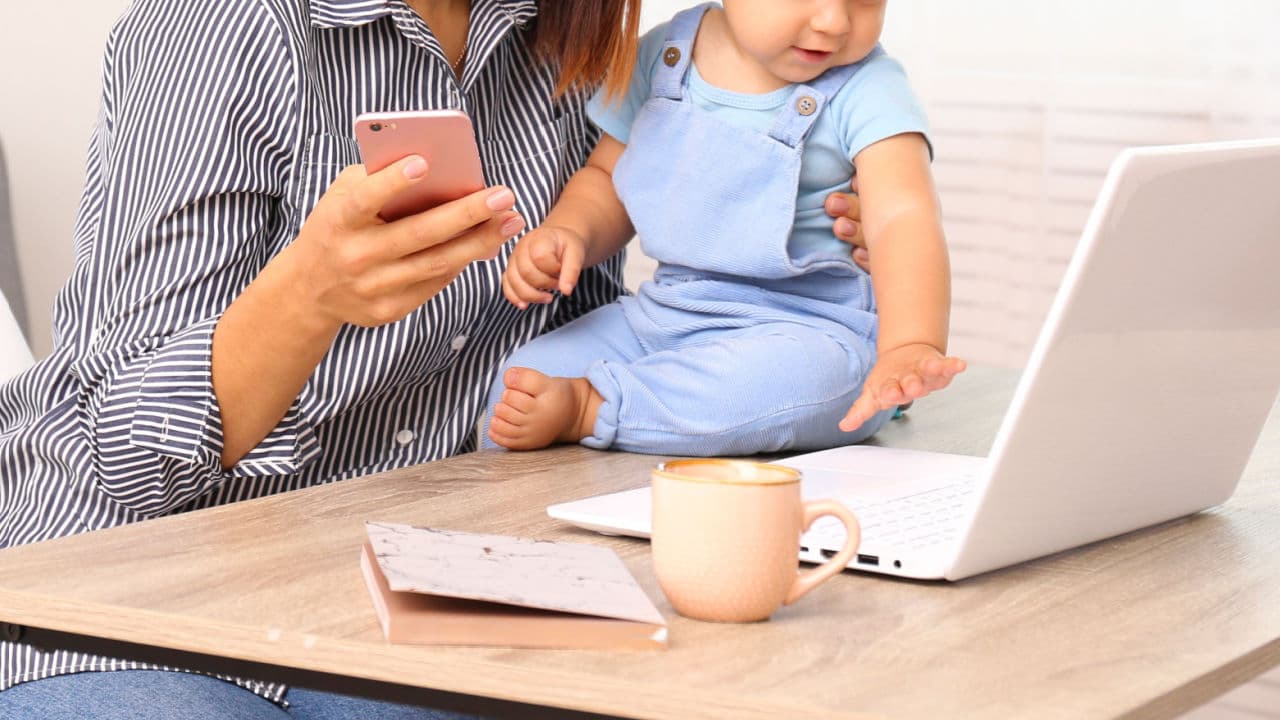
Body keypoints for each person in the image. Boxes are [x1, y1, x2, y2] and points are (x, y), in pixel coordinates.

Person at [0, 1, 870, 716]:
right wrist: (307, 298)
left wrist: (795, 239)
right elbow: (121, 441)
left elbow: (588, 320)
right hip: (135, 579)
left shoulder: (566, 35)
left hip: (411, 565)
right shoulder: (227, 28)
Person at [484, 0, 965, 456]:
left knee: (815, 381)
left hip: (809, 329)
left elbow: (904, 218)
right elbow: (608, 177)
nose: (835, 22)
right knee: (523, 377)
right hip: (665, 315)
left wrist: (908, 345)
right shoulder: (663, 55)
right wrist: (571, 233)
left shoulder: (870, 87)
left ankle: (597, 407)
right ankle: (626, 419)